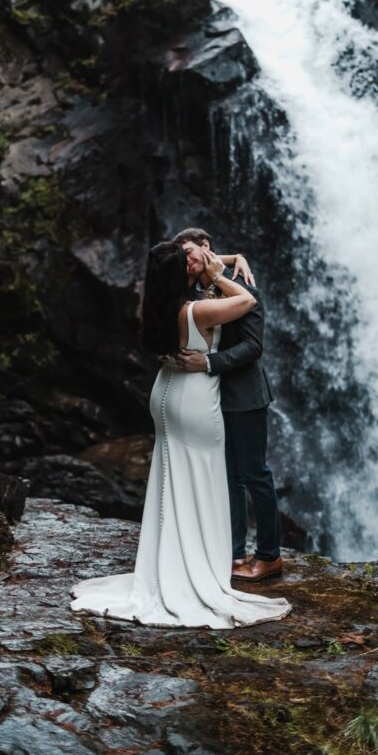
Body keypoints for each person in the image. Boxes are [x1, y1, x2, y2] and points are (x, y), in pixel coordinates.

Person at [69, 240, 291, 628]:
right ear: (185, 270)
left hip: (167, 393)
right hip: (194, 399)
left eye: (198, 249)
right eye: (189, 257)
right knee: (208, 479)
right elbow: (247, 304)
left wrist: (234, 258)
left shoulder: (160, 299)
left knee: (181, 481)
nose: (197, 258)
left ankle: (223, 556)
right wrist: (221, 274)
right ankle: (207, 562)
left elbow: (253, 344)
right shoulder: (197, 308)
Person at [172, 228, 284, 583]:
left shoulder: (242, 284)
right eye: (182, 257)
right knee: (229, 478)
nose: (186, 262)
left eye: (190, 253)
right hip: (214, 398)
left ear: (206, 247)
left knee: (255, 474)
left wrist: (206, 364)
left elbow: (253, 347)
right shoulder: (197, 289)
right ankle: (234, 552)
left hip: (246, 397)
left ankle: (270, 556)